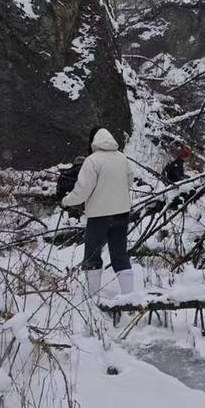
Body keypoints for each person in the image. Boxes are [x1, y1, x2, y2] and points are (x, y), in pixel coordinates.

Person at [61, 127, 133, 300]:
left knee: (92, 255)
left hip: (99, 216)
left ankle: (93, 297)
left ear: (94, 142)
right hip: (122, 213)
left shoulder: (92, 161)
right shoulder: (122, 158)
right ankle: (130, 296)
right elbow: (129, 180)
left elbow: (82, 190)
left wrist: (66, 201)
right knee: (119, 254)